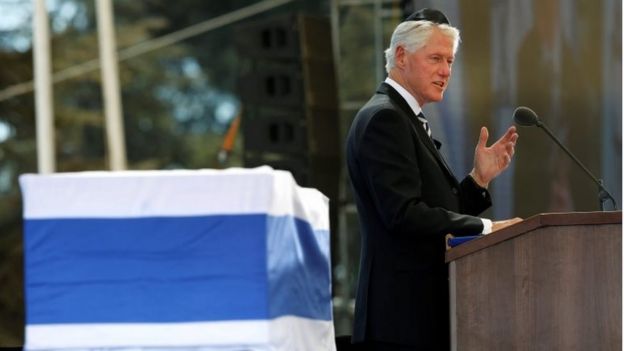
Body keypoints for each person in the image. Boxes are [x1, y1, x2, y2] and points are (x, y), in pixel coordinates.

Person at [345, 8, 521, 350]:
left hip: (417, 320)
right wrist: (488, 228)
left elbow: (436, 213)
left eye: (450, 61)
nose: (445, 72)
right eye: (436, 58)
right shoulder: (386, 119)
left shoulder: (404, 118)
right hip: (399, 323)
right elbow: (404, 215)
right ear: (401, 56)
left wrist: (478, 180)